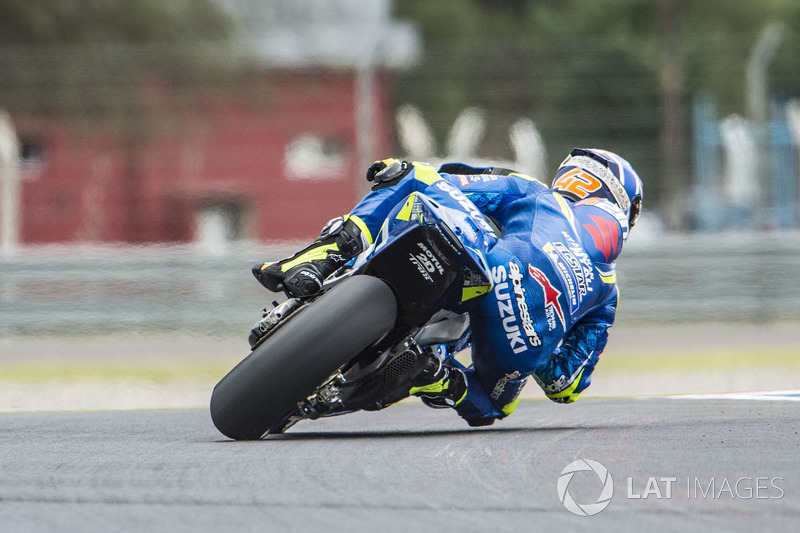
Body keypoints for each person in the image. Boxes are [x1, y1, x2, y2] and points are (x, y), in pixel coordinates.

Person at [253, 148, 643, 427]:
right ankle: (441, 377)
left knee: (412, 175)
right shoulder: (607, 293)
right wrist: (541, 336)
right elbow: (565, 385)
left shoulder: (536, 192)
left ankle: (323, 257)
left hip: (492, 263)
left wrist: (401, 173)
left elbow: (449, 183)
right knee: (493, 404)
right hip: (520, 343)